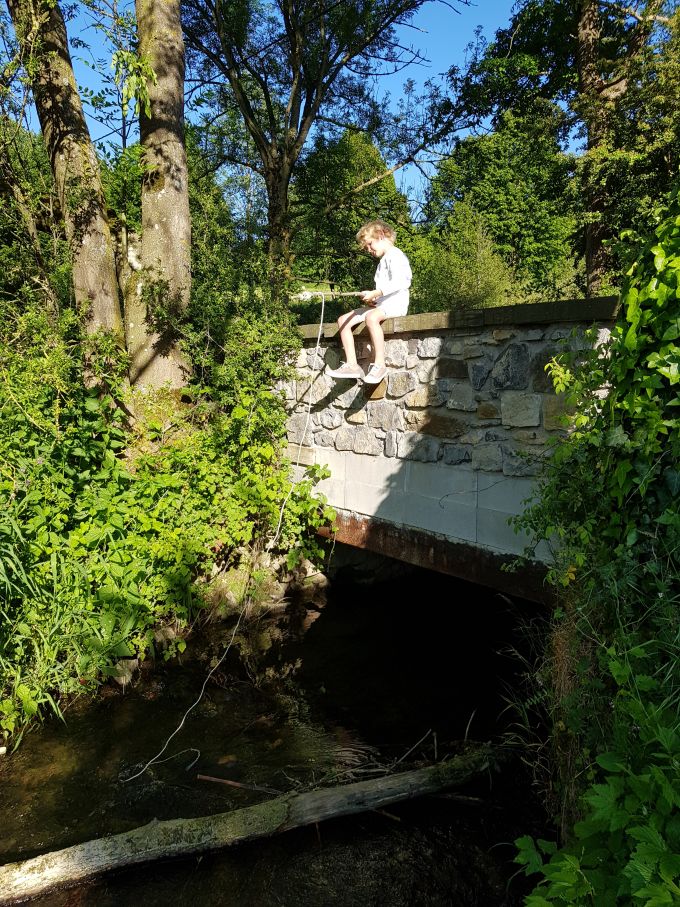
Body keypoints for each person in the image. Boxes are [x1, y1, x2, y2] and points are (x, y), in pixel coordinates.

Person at [326, 219, 412, 384]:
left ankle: (379, 364)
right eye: (366, 248)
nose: (368, 250)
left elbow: (403, 281)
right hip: (382, 304)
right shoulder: (383, 262)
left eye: (369, 244)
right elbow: (383, 290)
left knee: (371, 318)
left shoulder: (396, 255)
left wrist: (377, 292)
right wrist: (374, 299)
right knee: (343, 320)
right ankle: (352, 365)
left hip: (396, 304)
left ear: (380, 235)